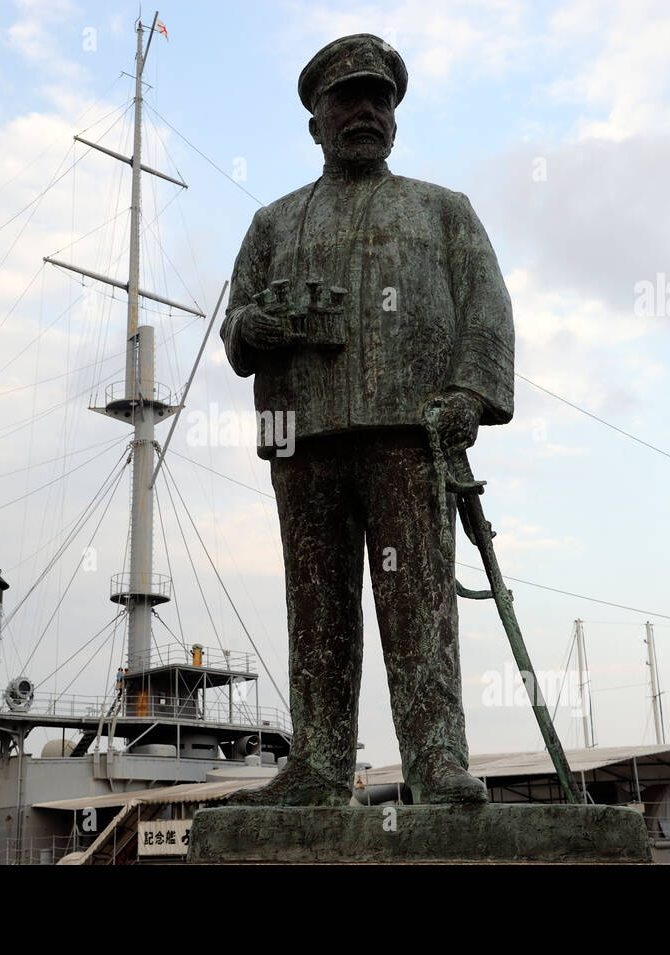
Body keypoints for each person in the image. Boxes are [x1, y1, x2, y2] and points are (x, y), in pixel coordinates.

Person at [222, 34, 514, 806]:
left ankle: (437, 759)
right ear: (314, 121)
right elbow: (235, 329)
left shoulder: (442, 211)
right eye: (347, 99)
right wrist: (256, 327)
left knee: (417, 603)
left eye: (378, 99)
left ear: (394, 116)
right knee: (315, 607)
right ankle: (316, 765)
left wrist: (470, 396)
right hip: (300, 436)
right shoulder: (273, 223)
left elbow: (487, 311)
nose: (365, 112)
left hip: (407, 435)